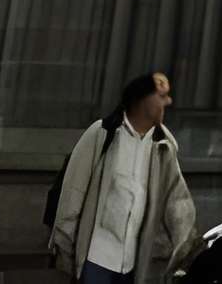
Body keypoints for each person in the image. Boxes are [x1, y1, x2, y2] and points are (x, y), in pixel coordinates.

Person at [49, 72, 198, 284]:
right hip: (96, 257)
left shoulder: (163, 147)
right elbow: (73, 192)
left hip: (132, 264)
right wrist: (65, 246)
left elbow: (178, 201)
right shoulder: (101, 134)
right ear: (142, 100)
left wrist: (185, 250)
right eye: (160, 96)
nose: (167, 102)